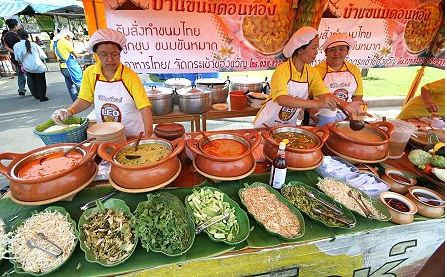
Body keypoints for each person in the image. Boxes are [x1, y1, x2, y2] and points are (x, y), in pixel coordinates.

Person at [51, 28, 154, 137]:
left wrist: (147, 136)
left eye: (114, 54)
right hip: (105, 135)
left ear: (120, 53)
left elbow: (144, 107)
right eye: (104, 54)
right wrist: (70, 111)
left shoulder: (130, 76)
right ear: (96, 54)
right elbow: (85, 99)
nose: (110, 59)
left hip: (132, 135)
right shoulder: (90, 73)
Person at [253, 27, 358, 128]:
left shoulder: (311, 72)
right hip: (266, 124)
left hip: (288, 124)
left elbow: (324, 94)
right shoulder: (282, 70)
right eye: (313, 48)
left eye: (317, 48)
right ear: (299, 49)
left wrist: (345, 105)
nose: (316, 52)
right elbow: (282, 99)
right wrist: (317, 103)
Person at [313, 33, 365, 126]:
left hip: (346, 116)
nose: (337, 53)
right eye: (332, 50)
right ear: (326, 52)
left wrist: (354, 115)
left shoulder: (354, 70)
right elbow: (307, 97)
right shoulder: (316, 70)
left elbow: (357, 96)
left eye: (342, 49)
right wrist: (311, 111)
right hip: (321, 116)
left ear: (347, 51)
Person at [13, 30, 48, 102]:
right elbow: (42, 55)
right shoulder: (34, 44)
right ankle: (42, 96)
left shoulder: (16, 46)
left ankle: (36, 95)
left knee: (32, 81)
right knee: (41, 82)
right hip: (38, 66)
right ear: (27, 36)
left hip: (28, 67)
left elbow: (17, 58)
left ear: (18, 36)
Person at [51, 30, 83, 102]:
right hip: (70, 67)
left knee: (70, 85)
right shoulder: (65, 42)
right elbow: (76, 55)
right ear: (67, 36)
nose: (70, 40)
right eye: (70, 38)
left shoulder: (54, 43)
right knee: (78, 83)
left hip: (62, 67)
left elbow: (54, 56)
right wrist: (84, 55)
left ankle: (75, 101)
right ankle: (83, 100)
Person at [3, 19, 28, 96]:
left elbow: (5, 47)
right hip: (24, 57)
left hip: (14, 58)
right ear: (15, 25)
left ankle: (21, 88)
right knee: (29, 73)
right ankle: (33, 88)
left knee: (20, 73)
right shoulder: (18, 34)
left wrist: (14, 52)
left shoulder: (5, 36)